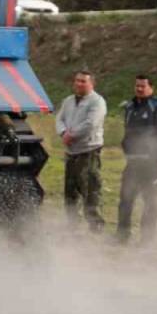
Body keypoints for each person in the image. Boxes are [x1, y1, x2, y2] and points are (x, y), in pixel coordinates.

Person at [116, 75, 157, 245]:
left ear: (151, 88)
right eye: (137, 85)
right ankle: (122, 236)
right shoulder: (130, 107)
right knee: (126, 198)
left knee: (150, 201)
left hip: (151, 163)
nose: (139, 89)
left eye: (143, 86)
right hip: (133, 162)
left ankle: (147, 240)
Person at [55, 70, 108, 232]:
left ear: (91, 84)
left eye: (83, 81)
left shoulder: (97, 102)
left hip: (88, 151)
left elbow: (91, 124)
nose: (79, 84)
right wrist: (63, 133)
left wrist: (72, 135)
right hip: (71, 151)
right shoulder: (69, 101)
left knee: (90, 188)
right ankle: (73, 225)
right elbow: (59, 118)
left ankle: (95, 226)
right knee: (70, 190)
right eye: (77, 80)